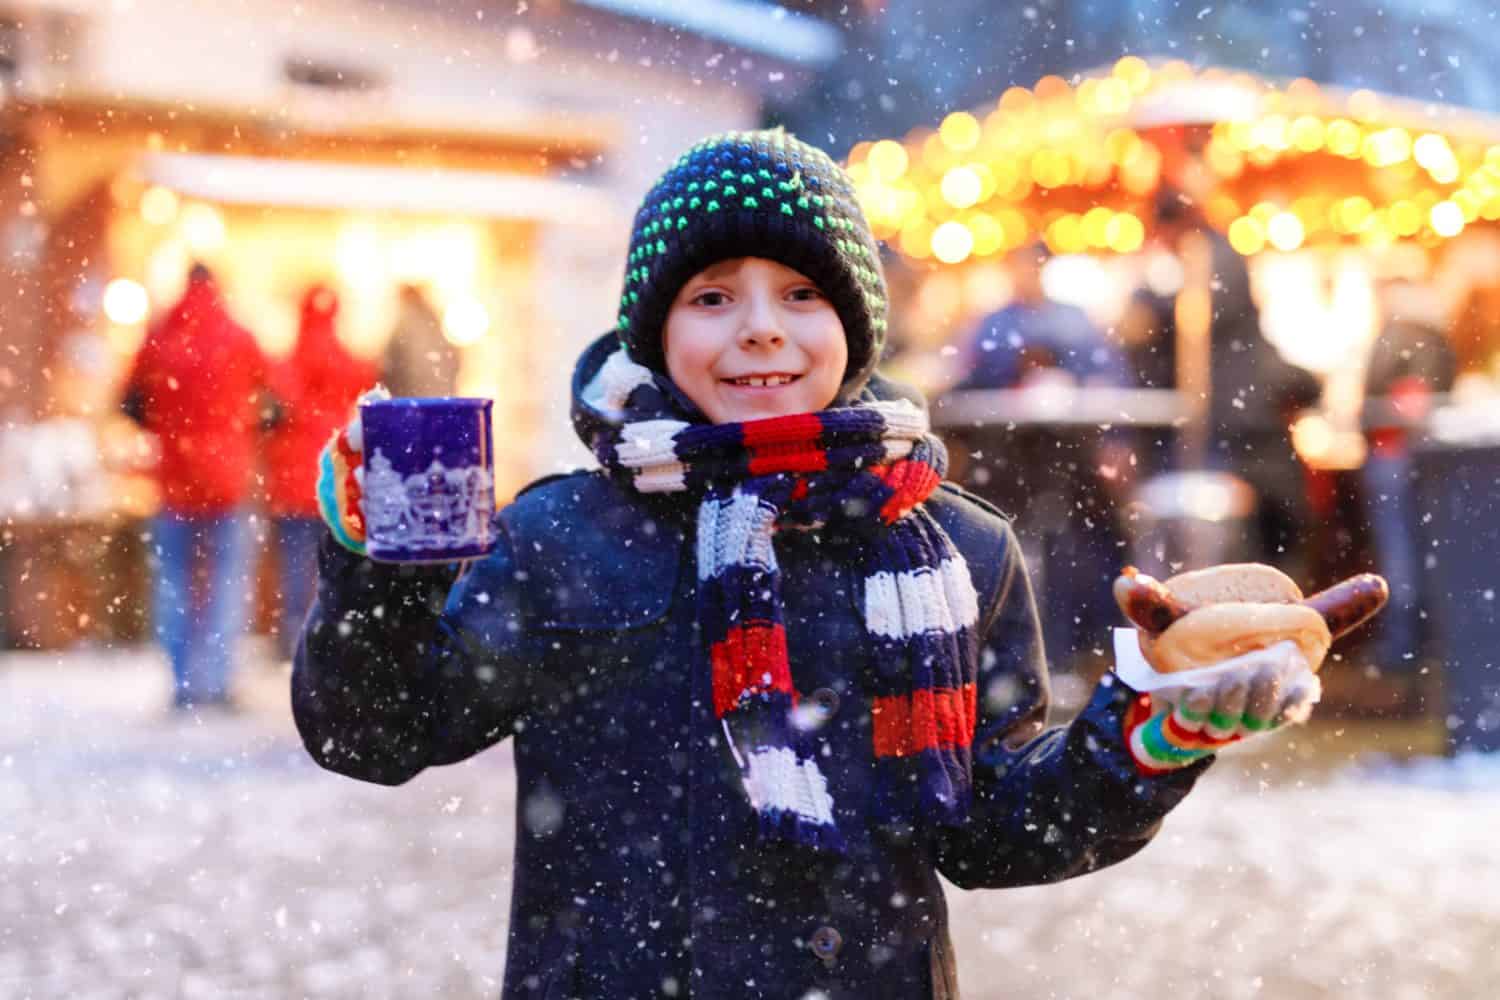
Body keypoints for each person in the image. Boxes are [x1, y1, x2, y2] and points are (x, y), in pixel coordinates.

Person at [293, 130, 1321, 999]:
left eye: (799, 292)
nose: (760, 332)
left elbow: (992, 828)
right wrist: (373, 567)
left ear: (855, 324)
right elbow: (378, 730)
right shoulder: (564, 536)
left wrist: (1141, 738)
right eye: (711, 297)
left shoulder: (957, 548)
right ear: (655, 330)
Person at [949, 242, 1134, 672]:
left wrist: (1113, 439)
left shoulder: (1063, 322)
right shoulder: (997, 324)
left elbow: (1108, 381)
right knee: (1026, 545)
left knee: (1072, 546)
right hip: (1011, 464)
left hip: (1069, 464)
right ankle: (1030, 654)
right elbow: (970, 381)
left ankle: (1065, 649)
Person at [122, 263, 270, 710]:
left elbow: (130, 402)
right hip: (228, 478)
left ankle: (184, 681)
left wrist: (169, 431)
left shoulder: (161, 336)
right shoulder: (238, 338)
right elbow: (275, 404)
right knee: (227, 580)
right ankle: (219, 681)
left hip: (174, 480)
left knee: (174, 581)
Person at [1151, 190, 1322, 575]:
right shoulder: (1242, 344)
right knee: (1271, 558)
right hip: (1255, 455)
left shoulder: (1209, 329)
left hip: (1241, 452)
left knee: (1250, 558)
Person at [264, 284, 376, 659]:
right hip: (334, 480)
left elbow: (275, 407)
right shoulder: (344, 358)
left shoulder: (288, 360)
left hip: (292, 479)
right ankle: (326, 634)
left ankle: (294, 636)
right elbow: (367, 381)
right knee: (334, 563)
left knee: (294, 565)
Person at [1360, 277, 1457, 672]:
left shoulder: (1403, 338)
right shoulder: (1433, 340)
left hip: (1394, 456)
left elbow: (1407, 402)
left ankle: (1403, 647)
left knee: (1399, 553)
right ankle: (1420, 644)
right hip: (1414, 458)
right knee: (1420, 551)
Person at [381, 283, 458, 398]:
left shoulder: (405, 323)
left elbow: (391, 364)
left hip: (413, 399)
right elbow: (454, 360)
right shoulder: (435, 322)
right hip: (442, 398)